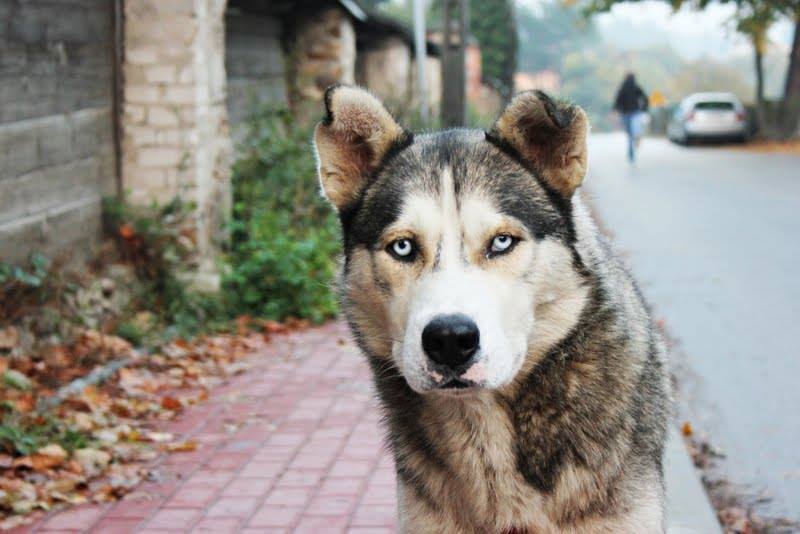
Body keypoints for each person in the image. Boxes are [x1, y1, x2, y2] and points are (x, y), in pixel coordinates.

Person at [613, 73, 649, 163]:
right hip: (635, 112)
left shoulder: (623, 88)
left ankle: (631, 152)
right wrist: (644, 109)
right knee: (635, 131)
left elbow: (617, 101)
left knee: (629, 135)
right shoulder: (636, 87)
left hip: (625, 114)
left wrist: (616, 110)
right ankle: (636, 140)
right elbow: (645, 98)